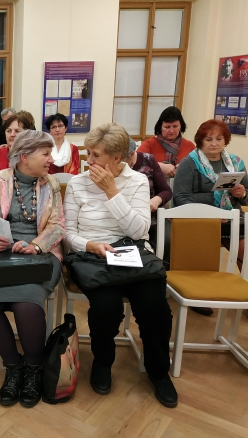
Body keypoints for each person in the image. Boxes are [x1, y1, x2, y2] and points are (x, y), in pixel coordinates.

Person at [63, 123, 178, 408]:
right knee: (106, 306)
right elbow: (68, 235)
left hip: (132, 252)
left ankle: (158, 371)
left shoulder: (137, 181)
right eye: (88, 153)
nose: (89, 160)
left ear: (117, 157)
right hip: (92, 255)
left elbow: (139, 231)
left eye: (96, 155)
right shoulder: (77, 183)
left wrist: (112, 191)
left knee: (154, 307)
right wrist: (91, 245)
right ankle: (103, 362)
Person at [0, 130, 65, 408]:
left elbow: (57, 226)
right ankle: (13, 366)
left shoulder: (52, 183)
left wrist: (35, 245)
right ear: (24, 157)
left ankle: (34, 368)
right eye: (45, 154)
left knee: (27, 305)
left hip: (40, 255)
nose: (51, 159)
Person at [173, 119, 248, 322]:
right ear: (200, 141)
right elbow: (181, 198)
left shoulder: (235, 162)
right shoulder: (189, 163)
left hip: (232, 219)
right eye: (208, 139)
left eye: (219, 139)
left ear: (225, 141)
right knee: (203, 254)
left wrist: (242, 193)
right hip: (200, 221)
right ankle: (199, 295)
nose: (214, 143)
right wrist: (208, 212)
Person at [124, 140, 172, 243]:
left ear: (131, 154)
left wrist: (156, 200)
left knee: (168, 240)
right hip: (123, 220)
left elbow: (166, 191)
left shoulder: (148, 160)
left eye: (122, 158)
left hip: (151, 218)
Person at [137, 106, 196, 178]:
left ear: (181, 126)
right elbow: (136, 162)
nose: (171, 131)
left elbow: (199, 168)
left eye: (175, 126)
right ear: (160, 127)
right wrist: (159, 166)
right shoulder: (150, 144)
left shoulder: (190, 146)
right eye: (167, 127)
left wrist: (184, 168)